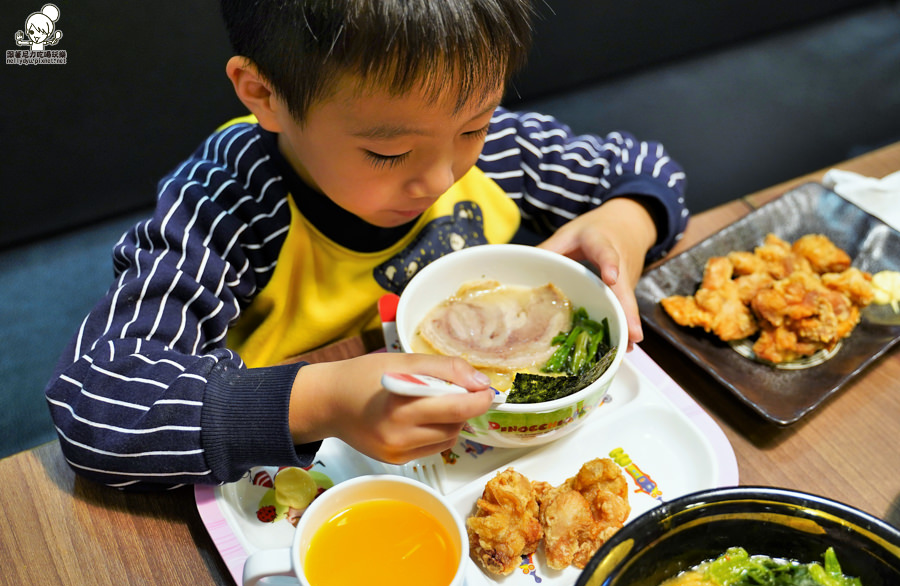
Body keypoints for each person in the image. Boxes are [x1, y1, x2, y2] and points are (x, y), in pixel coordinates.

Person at [45, 0, 688, 490]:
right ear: (263, 93)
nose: (440, 178)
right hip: (309, 471)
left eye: (474, 127)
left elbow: (648, 168)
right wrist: (320, 400)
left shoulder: (498, 147)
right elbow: (94, 396)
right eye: (389, 152)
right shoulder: (232, 200)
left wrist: (626, 223)